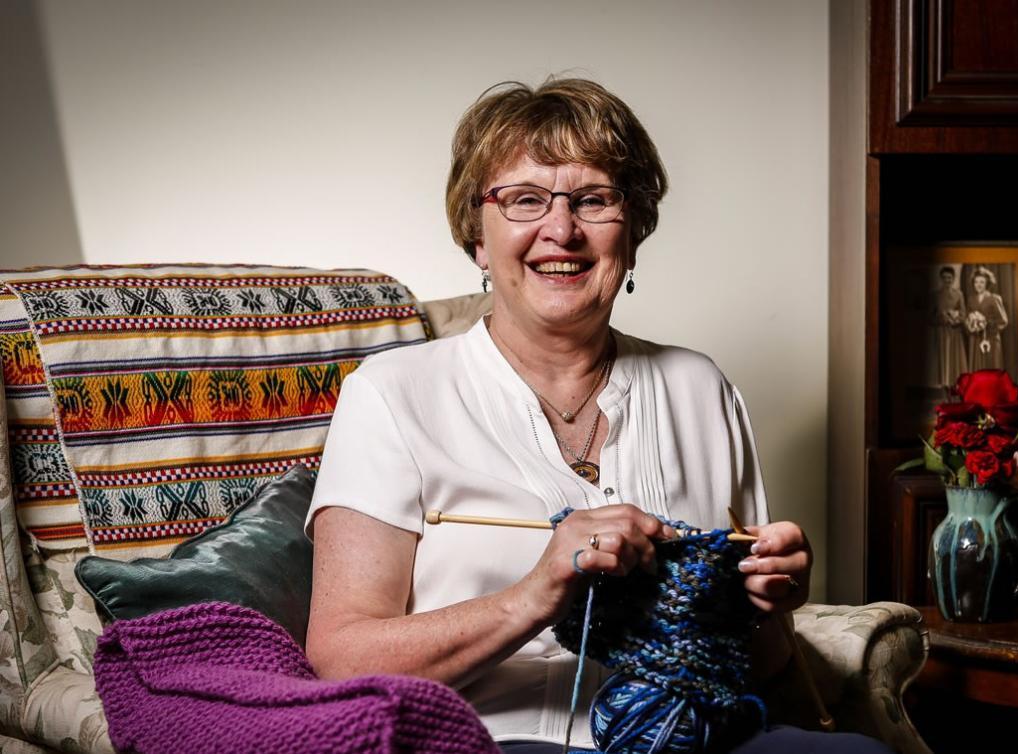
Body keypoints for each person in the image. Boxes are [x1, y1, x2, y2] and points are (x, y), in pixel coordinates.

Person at [304, 78, 891, 754]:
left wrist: (764, 608)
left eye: (594, 200)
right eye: (525, 200)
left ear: (633, 232)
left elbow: (759, 668)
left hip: (687, 739)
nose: (562, 230)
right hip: (486, 740)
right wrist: (536, 592)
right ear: (476, 237)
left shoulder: (700, 389)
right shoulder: (392, 393)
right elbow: (341, 658)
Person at [930, 266, 967, 388]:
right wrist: (942, 318)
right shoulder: (935, 295)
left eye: (950, 278)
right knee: (943, 359)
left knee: (955, 359)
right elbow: (929, 317)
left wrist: (955, 319)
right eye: (945, 278)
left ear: (953, 279)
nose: (947, 280)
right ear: (941, 278)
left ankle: (956, 386)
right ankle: (943, 386)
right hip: (941, 333)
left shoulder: (959, 294)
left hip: (955, 332)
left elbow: (963, 315)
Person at [966, 267, 1009, 370]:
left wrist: (986, 323)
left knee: (992, 366)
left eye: (982, 282)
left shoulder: (994, 298)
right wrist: (972, 324)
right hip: (975, 339)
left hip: (991, 338)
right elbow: (967, 318)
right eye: (976, 282)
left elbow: (1003, 321)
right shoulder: (971, 299)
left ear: (987, 283)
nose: (978, 285)